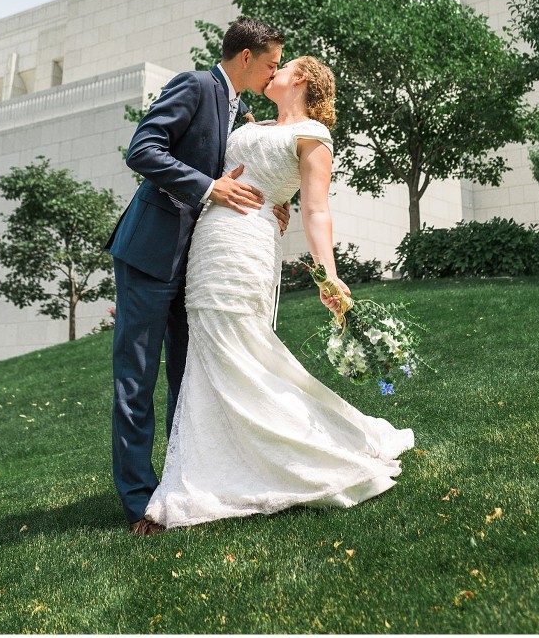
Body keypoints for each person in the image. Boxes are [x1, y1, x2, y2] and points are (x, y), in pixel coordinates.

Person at [141, 56, 414, 533]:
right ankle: (208, 467)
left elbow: (316, 210)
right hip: (209, 240)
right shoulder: (251, 120)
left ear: (302, 78)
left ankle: (300, 455)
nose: (273, 71)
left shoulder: (312, 135)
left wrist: (327, 274)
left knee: (243, 346)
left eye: (281, 66)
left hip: (248, 244)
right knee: (207, 353)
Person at [107, 17, 290, 534]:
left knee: (189, 381)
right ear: (247, 56)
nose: (274, 72)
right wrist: (210, 188)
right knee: (136, 382)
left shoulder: (243, 110)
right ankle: (140, 501)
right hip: (148, 254)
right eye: (272, 62)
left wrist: (270, 204)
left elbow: (243, 174)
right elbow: (143, 150)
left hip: (199, 266)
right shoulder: (194, 84)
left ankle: (180, 485)